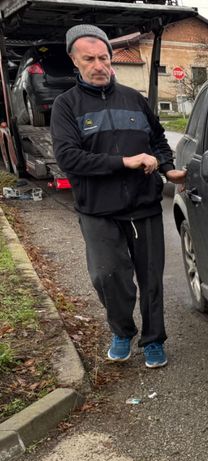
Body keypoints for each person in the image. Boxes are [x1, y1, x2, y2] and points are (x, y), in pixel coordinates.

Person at [51, 24, 186, 368]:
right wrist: (126, 162)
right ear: (74, 61)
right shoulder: (66, 106)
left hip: (143, 206)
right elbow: (69, 158)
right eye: (89, 59)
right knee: (108, 277)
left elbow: (158, 139)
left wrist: (167, 167)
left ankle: (154, 340)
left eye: (104, 58)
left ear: (111, 59)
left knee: (151, 278)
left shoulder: (133, 99)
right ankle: (122, 331)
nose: (99, 66)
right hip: (99, 211)